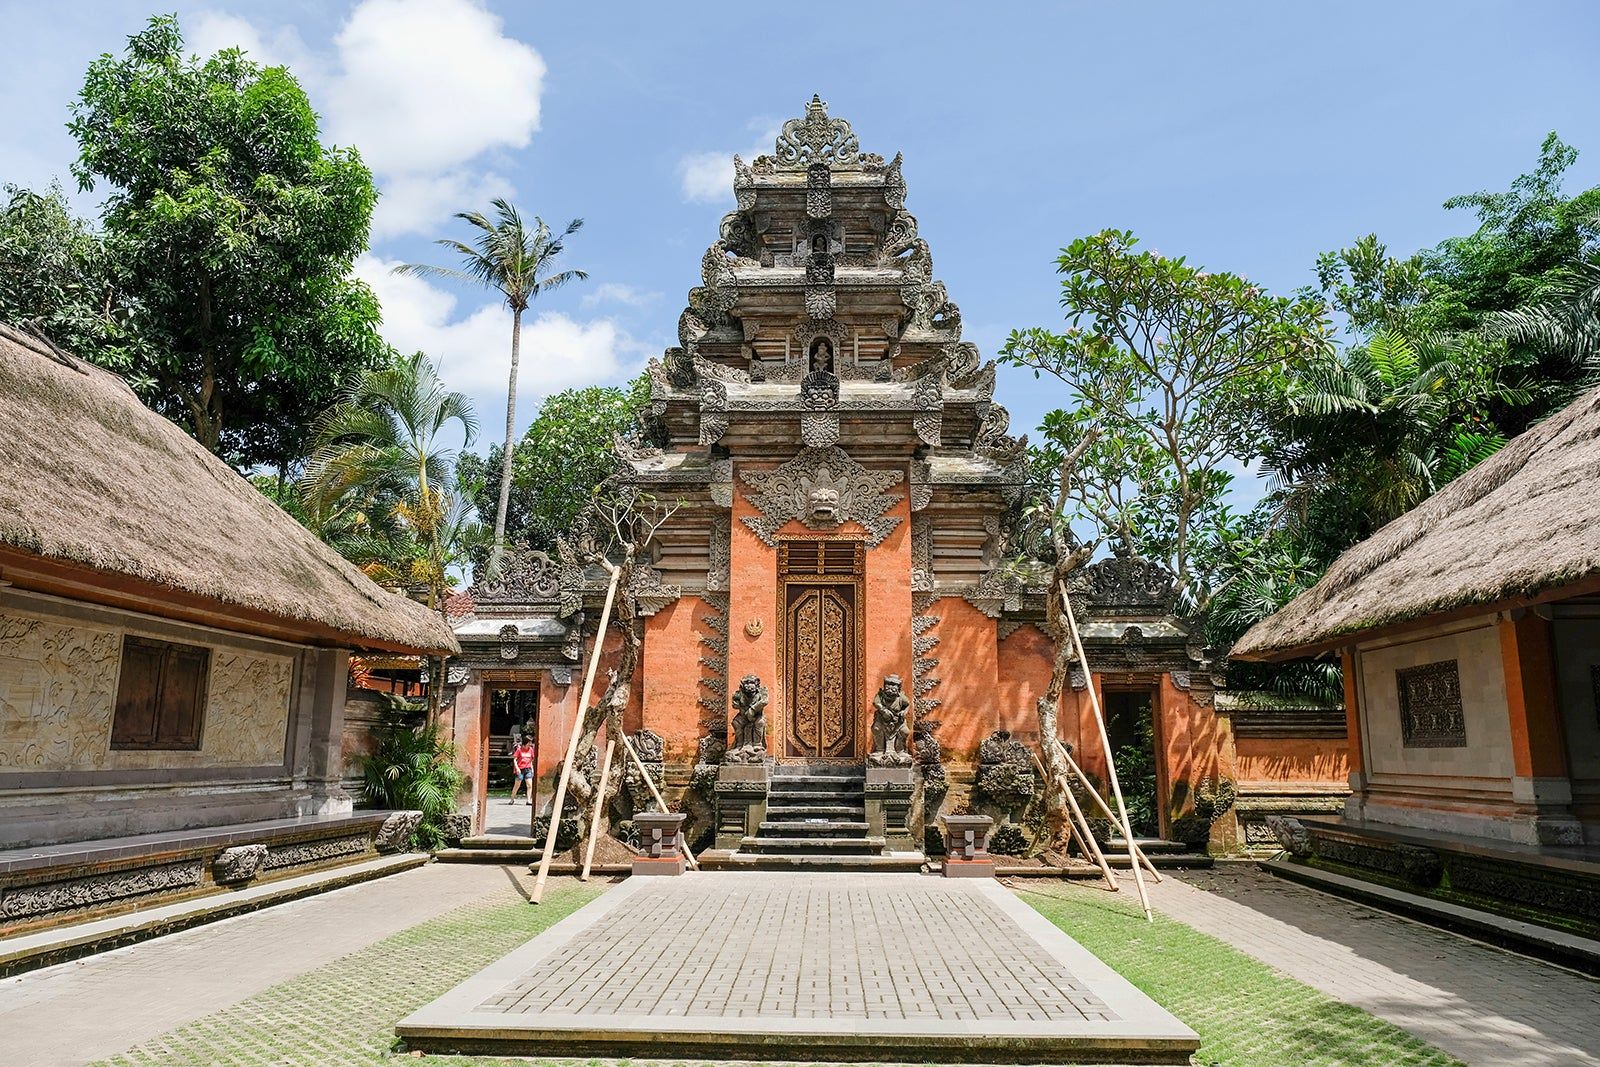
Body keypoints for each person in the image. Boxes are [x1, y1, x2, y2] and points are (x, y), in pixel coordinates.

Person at [508, 733, 536, 804]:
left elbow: (531, 760)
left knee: (529, 785)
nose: (530, 744)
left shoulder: (531, 750)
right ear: (526, 742)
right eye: (529, 742)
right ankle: (512, 799)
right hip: (520, 769)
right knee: (517, 785)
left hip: (528, 769)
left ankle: (528, 800)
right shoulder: (519, 749)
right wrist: (517, 768)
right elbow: (514, 759)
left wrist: (532, 768)